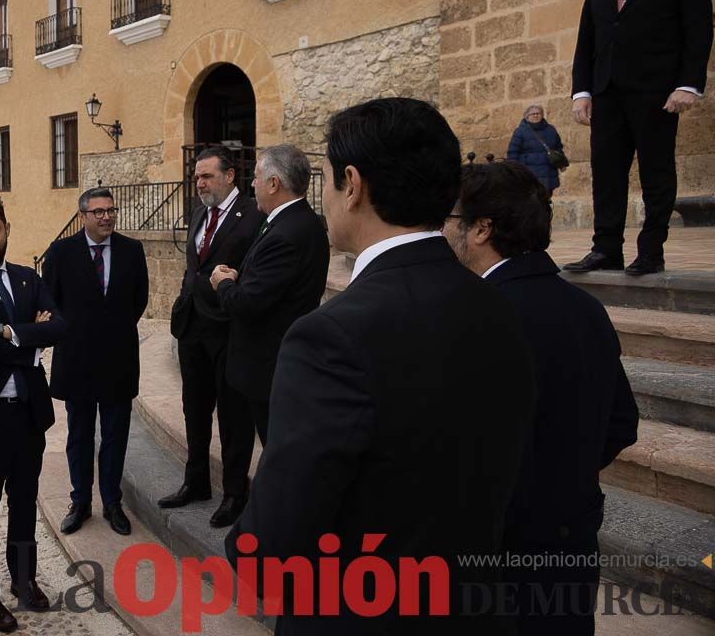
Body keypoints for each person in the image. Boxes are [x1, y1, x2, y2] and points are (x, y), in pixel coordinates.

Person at [227, 98, 536, 634]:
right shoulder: (502, 306)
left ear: (352, 184)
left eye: (322, 178)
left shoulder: (330, 338)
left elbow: (267, 547)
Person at [444, 161, 639, 635]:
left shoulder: (475, 316)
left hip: (497, 557)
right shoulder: (585, 307)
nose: (443, 232)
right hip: (569, 541)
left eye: (450, 220)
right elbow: (622, 421)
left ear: (481, 229)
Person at [566, 0, 714, 276]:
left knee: (656, 172)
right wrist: (581, 91)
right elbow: (588, 40)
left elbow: (698, 31)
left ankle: (651, 252)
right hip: (607, 93)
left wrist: (688, 84)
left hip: (657, 92)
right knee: (607, 173)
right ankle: (606, 249)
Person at [0, 197, 66, 633]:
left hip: (28, 415)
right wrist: (29, 343)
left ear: (7, 228)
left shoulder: (28, 279)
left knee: (24, 502)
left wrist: (9, 333)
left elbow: (59, 326)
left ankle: (24, 580)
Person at [162, 146, 264, 528]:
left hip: (228, 328)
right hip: (192, 328)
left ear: (230, 176)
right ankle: (196, 481)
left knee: (234, 417)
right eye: (197, 176)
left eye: (207, 176)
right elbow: (195, 265)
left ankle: (236, 492)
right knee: (194, 409)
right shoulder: (200, 212)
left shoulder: (254, 216)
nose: (199, 182)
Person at [42, 187, 149, 537]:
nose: (106, 217)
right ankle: (80, 502)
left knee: (116, 435)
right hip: (77, 360)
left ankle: (112, 503)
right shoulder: (60, 252)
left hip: (119, 359)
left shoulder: (131, 251)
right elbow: (52, 301)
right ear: (83, 216)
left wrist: (111, 330)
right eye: (98, 211)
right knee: (80, 435)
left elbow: (139, 300)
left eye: (110, 210)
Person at [209, 144, 328, 453]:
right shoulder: (294, 222)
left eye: (257, 176)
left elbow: (248, 304)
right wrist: (240, 277)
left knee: (279, 453)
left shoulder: (287, 232)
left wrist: (223, 284)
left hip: (269, 369)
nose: (252, 183)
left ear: (274, 183)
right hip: (273, 365)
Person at [506, 104, 565, 196]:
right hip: (529, 172)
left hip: (548, 171)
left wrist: (561, 164)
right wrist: (513, 171)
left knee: (546, 199)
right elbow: (513, 152)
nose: (536, 115)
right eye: (532, 114)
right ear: (527, 117)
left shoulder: (551, 130)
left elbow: (558, 148)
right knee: (531, 200)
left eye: (538, 113)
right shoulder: (520, 132)